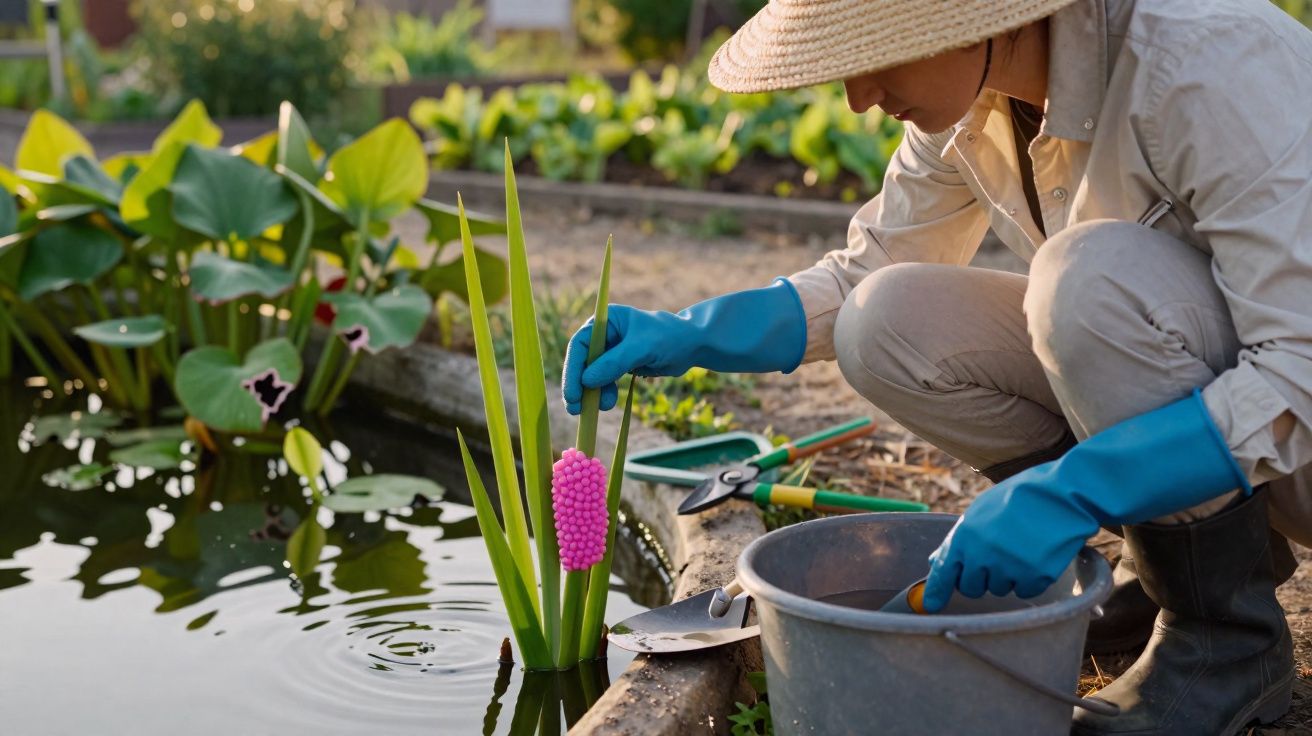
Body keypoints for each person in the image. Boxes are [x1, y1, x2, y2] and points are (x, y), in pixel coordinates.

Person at [562, 0, 1311, 731]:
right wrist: (688, 335)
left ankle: (1225, 639)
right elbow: (867, 274)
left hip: (1296, 438)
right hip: (1229, 415)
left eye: (874, 51)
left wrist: (1073, 491)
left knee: (1083, 281)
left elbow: (1297, 374)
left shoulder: (1204, 61)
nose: (858, 98)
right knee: (886, 321)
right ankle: (1162, 571)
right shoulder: (982, 100)